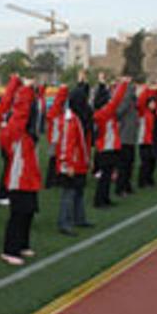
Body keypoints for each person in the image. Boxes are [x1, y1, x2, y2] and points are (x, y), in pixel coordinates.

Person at [0, 75, 42, 266]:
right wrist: (24, 89)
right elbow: (22, 112)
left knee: (29, 211)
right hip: (18, 178)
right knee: (18, 213)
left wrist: (32, 90)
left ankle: (23, 244)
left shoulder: (26, 135)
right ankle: (9, 249)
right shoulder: (13, 131)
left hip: (30, 176)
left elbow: (33, 109)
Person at [57, 85, 95, 237]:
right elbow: (66, 143)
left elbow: (84, 141)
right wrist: (67, 164)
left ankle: (79, 218)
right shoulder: (70, 120)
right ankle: (64, 222)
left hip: (79, 161)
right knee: (69, 193)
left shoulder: (81, 118)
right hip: (71, 162)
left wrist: (87, 159)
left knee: (79, 191)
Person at [92, 79, 129, 208]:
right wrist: (123, 84)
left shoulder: (103, 113)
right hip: (106, 147)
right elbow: (116, 100)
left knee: (107, 176)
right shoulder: (103, 113)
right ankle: (99, 200)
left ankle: (105, 198)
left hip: (109, 146)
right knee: (105, 176)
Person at [136, 86, 157, 188]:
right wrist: (147, 89)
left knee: (153, 161)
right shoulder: (143, 112)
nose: (153, 104)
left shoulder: (156, 113)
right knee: (145, 162)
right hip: (145, 140)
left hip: (155, 139)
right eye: (151, 103)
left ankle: (149, 179)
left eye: (154, 103)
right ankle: (142, 181)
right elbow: (141, 101)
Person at [115, 83, 138, 197]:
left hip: (130, 138)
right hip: (124, 138)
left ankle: (127, 185)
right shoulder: (126, 102)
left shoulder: (134, 103)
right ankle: (120, 188)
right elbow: (118, 113)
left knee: (129, 164)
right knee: (124, 165)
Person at [44, 84, 69, 189]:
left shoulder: (56, 109)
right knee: (54, 159)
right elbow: (59, 101)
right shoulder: (56, 109)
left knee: (55, 159)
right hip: (56, 137)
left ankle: (54, 180)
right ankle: (52, 181)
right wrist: (64, 89)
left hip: (55, 136)